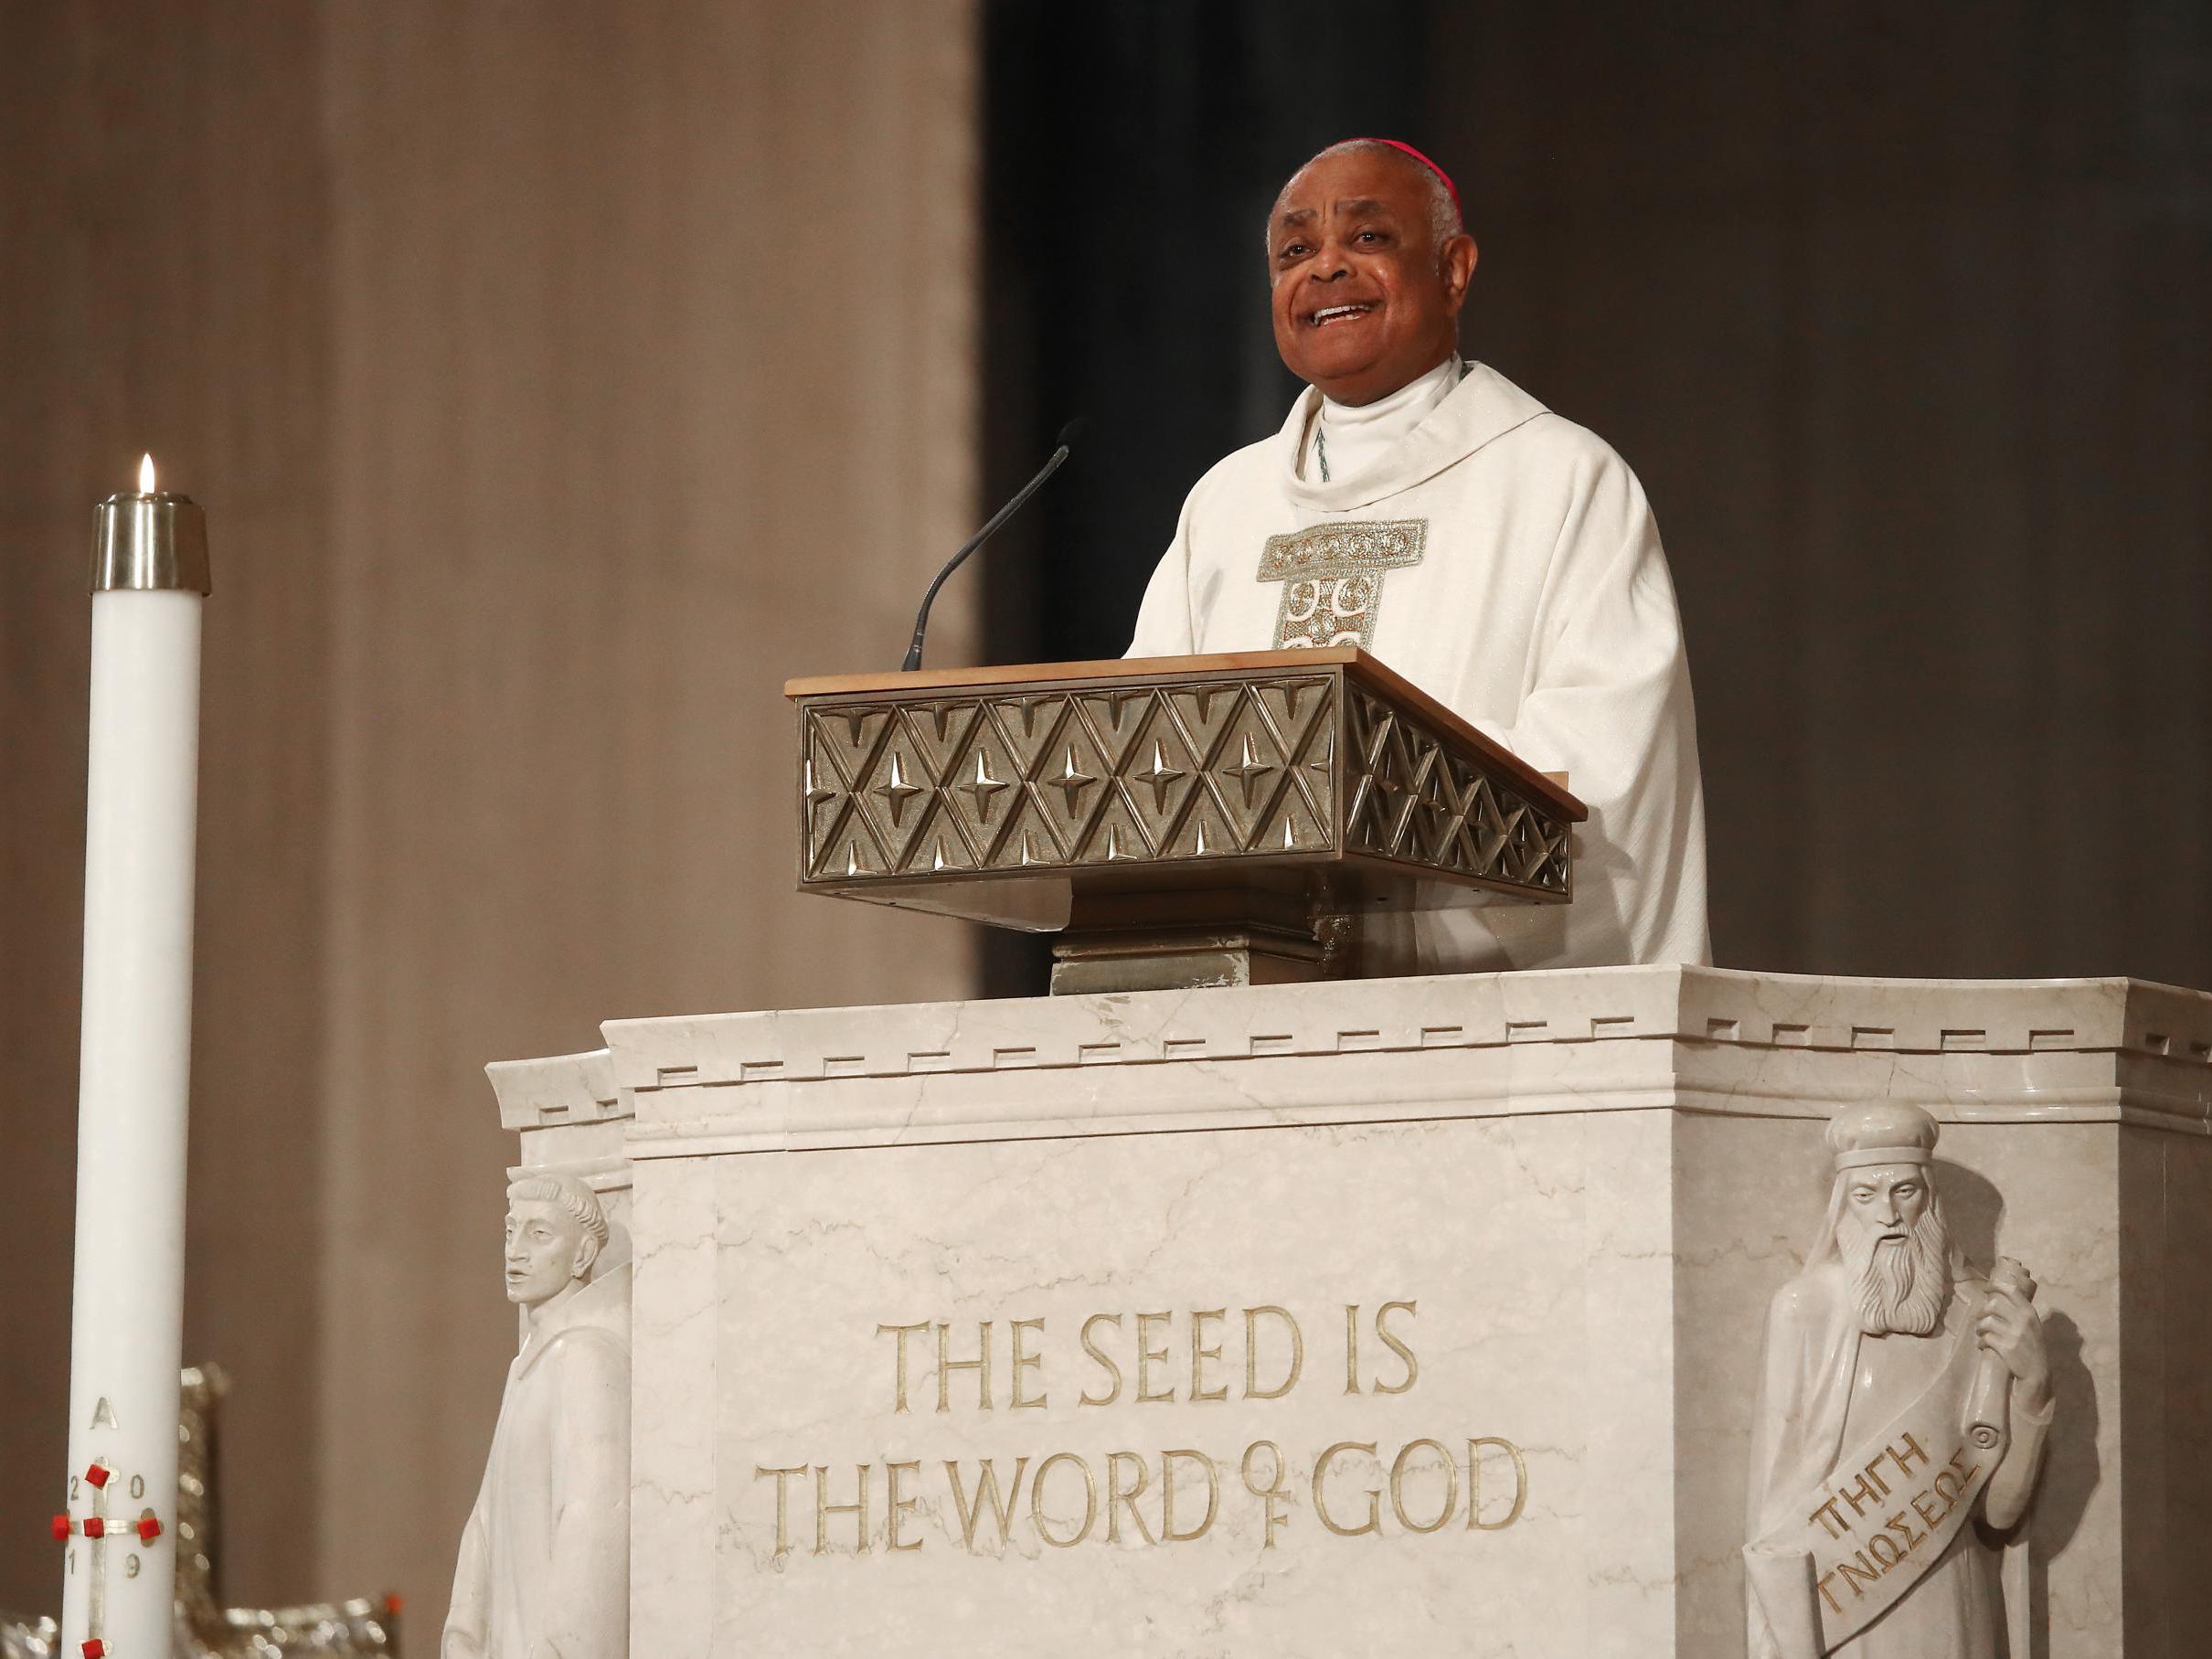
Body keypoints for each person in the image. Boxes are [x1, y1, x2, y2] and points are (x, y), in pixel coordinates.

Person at [1128, 137, 1708, 972]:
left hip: (1477, 1019)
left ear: (1454, 269)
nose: (1325, 268)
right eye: (1296, 250)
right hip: (1252, 996)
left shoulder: (1561, 479)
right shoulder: (1226, 504)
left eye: (1367, 239)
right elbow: (1149, 742)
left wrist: (1367, 841)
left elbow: (1607, 768)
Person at [1744, 1102, 2053, 1657]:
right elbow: (1777, 1502)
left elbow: (1999, 1514)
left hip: (1954, 1596)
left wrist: (2033, 1388)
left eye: (1904, 1191)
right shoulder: (1803, 1309)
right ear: (1843, 1204)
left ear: (1930, 1197)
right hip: (1846, 1607)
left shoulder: (1979, 1311)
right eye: (1866, 1194)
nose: (1888, 1213)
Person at [445, 1174, 630, 1659]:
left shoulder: (586, 1357)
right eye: (511, 1232)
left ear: (583, 1255)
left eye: (539, 1234)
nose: (515, 1252)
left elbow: (592, 1525)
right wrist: (464, 1633)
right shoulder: (532, 1363)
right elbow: (486, 1519)